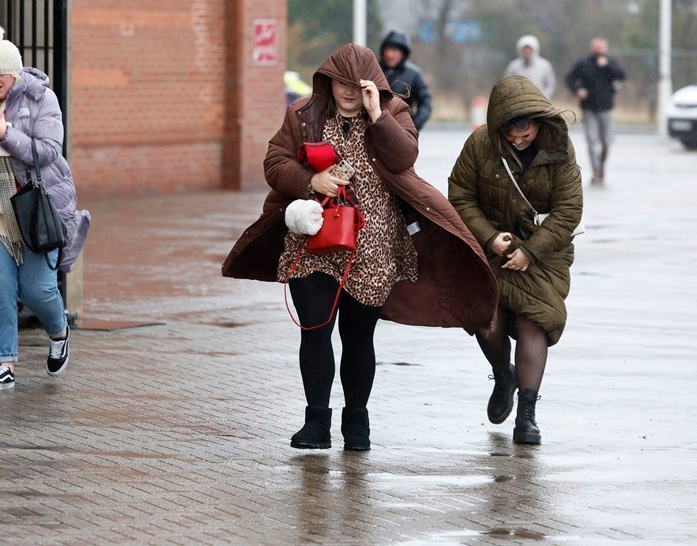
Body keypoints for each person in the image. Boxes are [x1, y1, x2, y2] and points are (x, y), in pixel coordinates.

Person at [222, 43, 497, 451]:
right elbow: (274, 161)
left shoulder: (395, 114)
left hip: (372, 247)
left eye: (358, 85)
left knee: (357, 336)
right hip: (312, 240)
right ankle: (315, 423)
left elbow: (404, 158)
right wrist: (309, 182)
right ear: (327, 80)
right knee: (314, 330)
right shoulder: (304, 114)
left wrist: (377, 113)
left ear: (373, 86)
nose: (348, 91)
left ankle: (357, 422)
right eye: (341, 83)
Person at [0, 24, 90, 392]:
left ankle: (59, 331)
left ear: (16, 71)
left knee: (38, 291)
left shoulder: (41, 98)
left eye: (2, 73)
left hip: (32, 207)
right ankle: (3, 364)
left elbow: (49, 151)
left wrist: (6, 134)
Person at [447, 75, 584, 445]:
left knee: (532, 320)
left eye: (523, 127)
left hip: (544, 253)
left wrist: (531, 250)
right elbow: (459, 195)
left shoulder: (560, 149)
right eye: (507, 129)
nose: (516, 136)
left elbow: (569, 209)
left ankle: (527, 415)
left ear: (538, 119)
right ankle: (502, 375)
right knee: (486, 320)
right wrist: (490, 238)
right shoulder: (479, 144)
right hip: (492, 245)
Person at [565, 37, 626, 185]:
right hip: (588, 107)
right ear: (591, 48)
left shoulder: (610, 63)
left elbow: (622, 76)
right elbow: (569, 78)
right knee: (592, 141)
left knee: (606, 141)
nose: (598, 50)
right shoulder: (584, 63)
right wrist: (578, 90)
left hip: (606, 107)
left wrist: (607, 67)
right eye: (596, 47)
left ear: (606, 48)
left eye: (601, 47)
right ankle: (595, 171)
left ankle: (602, 164)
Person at [378, 30, 432, 131]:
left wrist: (414, 126)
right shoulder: (374, 69)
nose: (390, 54)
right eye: (387, 49)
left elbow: (425, 103)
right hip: (375, 129)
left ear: (403, 53)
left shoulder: (414, 74)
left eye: (394, 50)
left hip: (402, 129)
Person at [503, 34, 556, 100]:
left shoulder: (544, 65)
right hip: (518, 102)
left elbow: (550, 85)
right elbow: (506, 84)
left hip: (539, 102)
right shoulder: (514, 66)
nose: (527, 52)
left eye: (529, 49)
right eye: (525, 49)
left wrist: (544, 97)